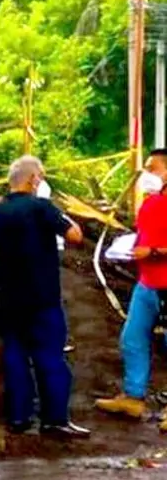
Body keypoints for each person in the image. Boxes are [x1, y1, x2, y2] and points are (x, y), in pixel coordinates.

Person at [0, 155, 89, 438]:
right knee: (49, 356)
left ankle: (19, 418)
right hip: (42, 298)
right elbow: (75, 235)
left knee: (14, 356)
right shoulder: (42, 207)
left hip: (8, 299)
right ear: (34, 179)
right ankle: (54, 420)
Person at [95, 149, 167, 423]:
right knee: (132, 338)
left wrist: (154, 253)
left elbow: (152, 247)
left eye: (154, 169)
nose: (147, 175)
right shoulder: (150, 205)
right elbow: (144, 239)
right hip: (147, 284)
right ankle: (133, 396)